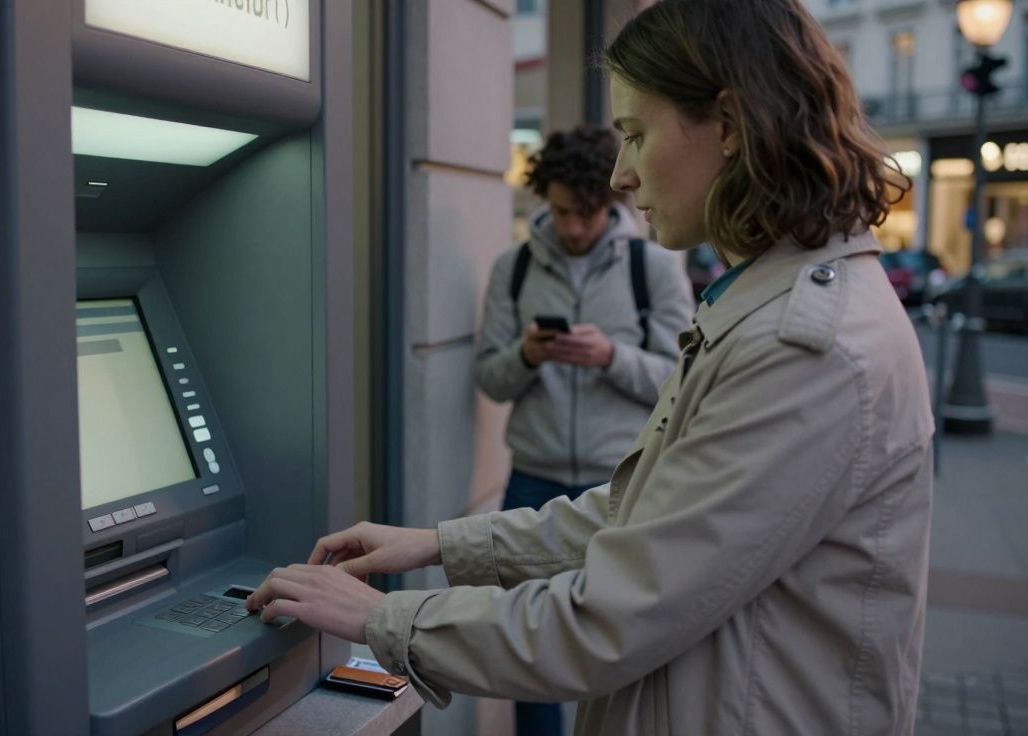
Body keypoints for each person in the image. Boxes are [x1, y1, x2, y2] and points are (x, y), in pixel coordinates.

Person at [246, 1, 932, 733]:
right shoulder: (776, 301)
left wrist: (385, 617)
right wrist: (440, 545)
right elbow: (641, 517)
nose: (622, 175)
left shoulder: (805, 349)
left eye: (636, 134)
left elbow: (612, 616)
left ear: (730, 125)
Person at [478, 124, 693, 736]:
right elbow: (491, 380)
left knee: (619, 644)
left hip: (623, 485)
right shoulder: (513, 268)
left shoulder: (653, 267)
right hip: (531, 480)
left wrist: (610, 357)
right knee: (525, 648)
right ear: (544, 198)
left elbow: (682, 382)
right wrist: (526, 355)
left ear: (613, 203)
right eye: (564, 211)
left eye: (590, 212)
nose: (576, 227)